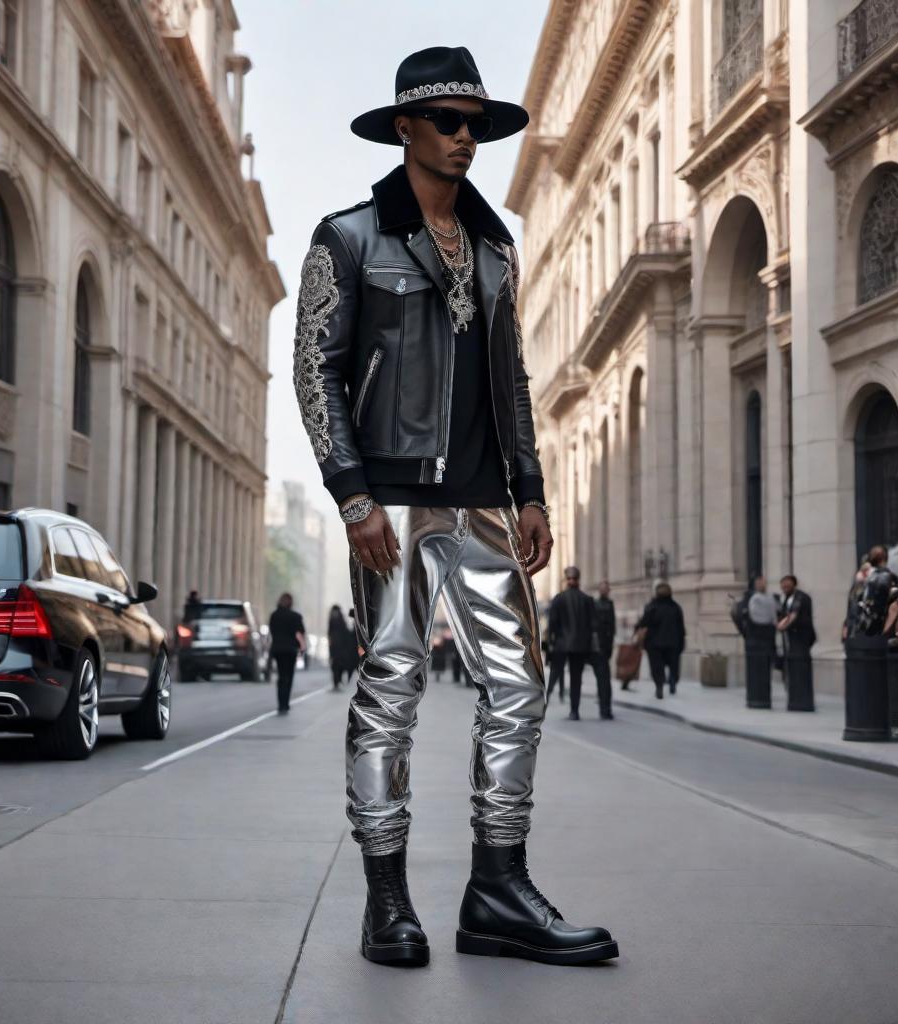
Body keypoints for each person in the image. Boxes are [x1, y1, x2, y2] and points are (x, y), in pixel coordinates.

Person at [290, 46, 617, 969]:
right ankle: (386, 900)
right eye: (447, 120)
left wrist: (532, 488)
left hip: (481, 500)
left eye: (476, 122)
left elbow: (509, 377)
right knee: (392, 685)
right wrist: (351, 493)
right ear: (405, 128)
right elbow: (316, 372)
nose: (466, 137)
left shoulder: (495, 246)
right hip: (388, 499)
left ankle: (498, 890)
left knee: (519, 685)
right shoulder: (348, 237)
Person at [545, 567, 598, 719]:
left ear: (566, 579)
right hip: (580, 646)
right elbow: (593, 625)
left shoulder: (559, 598)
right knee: (576, 679)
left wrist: (550, 644)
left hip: (561, 644)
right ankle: (574, 711)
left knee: (554, 675)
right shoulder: (587, 599)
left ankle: (544, 705)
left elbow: (552, 624)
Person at [635, 581, 686, 698]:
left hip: (655, 644)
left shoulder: (652, 607)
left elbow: (644, 622)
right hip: (673, 643)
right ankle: (672, 681)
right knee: (673, 665)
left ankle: (659, 686)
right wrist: (681, 642)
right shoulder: (675, 607)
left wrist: (636, 628)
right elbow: (681, 628)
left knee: (657, 667)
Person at [776, 574, 816, 711]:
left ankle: (801, 702)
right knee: (790, 670)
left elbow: (793, 615)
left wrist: (782, 626)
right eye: (783, 586)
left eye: (787, 585)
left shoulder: (801, 598)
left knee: (800, 670)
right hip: (790, 642)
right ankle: (793, 699)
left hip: (801, 639)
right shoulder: (786, 599)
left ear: (794, 584)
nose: (784, 588)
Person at [268, 593, 306, 713]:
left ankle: (281, 704)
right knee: (288, 676)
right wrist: (302, 647)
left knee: (281, 676)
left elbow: (272, 632)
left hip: (278, 650)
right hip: (290, 650)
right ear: (290, 603)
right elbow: (300, 633)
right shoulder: (295, 616)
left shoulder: (274, 615)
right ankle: (285, 704)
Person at [744, 576, 778, 709]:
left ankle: (761, 700)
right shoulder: (754, 599)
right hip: (757, 641)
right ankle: (756, 700)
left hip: (765, 641)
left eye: (763, 582)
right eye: (759, 582)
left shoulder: (770, 598)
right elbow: (757, 618)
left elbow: (773, 616)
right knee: (758, 672)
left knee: (764, 671)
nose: (762, 584)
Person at [594, 581, 616, 711]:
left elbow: (612, 627)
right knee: (603, 678)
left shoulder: (609, 604)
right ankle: (605, 707)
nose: (605, 591)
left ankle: (605, 706)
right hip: (600, 647)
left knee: (604, 678)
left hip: (604, 646)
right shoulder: (596, 604)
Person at [328, 604, 359, 690]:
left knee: (336, 666)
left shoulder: (333, 620)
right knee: (338, 666)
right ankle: (338, 683)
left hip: (337, 650)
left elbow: (331, 638)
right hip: (341, 650)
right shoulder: (340, 621)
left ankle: (337, 683)